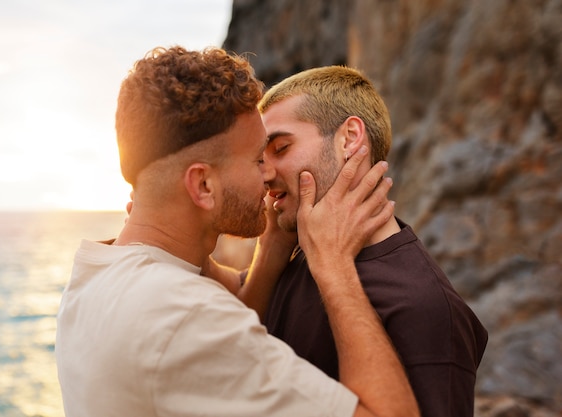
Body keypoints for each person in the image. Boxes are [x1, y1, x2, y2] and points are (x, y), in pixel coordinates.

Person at [55, 46, 420, 417]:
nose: (268, 173)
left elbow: (238, 304)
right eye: (257, 158)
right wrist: (334, 263)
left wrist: (273, 243)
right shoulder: (186, 317)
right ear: (203, 186)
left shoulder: (95, 274)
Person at [205, 65, 488, 417]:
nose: (265, 172)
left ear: (350, 138)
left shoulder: (426, 307)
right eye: (260, 158)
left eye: (281, 147)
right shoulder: (294, 257)